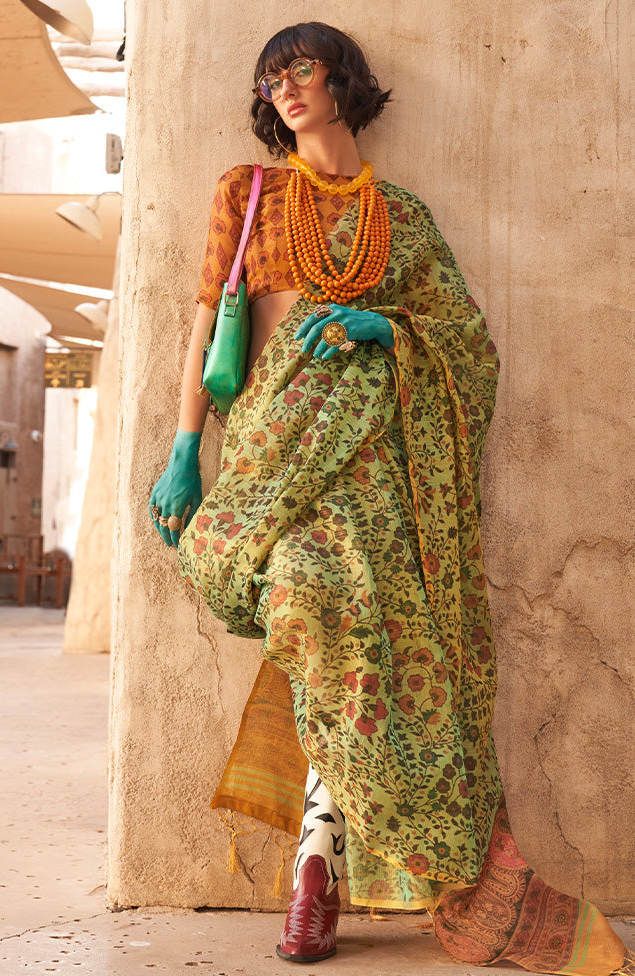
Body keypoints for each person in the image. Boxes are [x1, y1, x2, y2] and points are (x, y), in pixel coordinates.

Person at [149, 22, 631, 976]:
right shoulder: (246, 198)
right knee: (302, 603)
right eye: (270, 77)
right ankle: (337, 856)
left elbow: (467, 349)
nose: (285, 87)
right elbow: (207, 323)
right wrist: (183, 448)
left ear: (345, 80)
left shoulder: (402, 219)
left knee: (362, 644)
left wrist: (388, 329)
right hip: (271, 461)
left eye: (301, 68)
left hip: (379, 473)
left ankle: (314, 871)